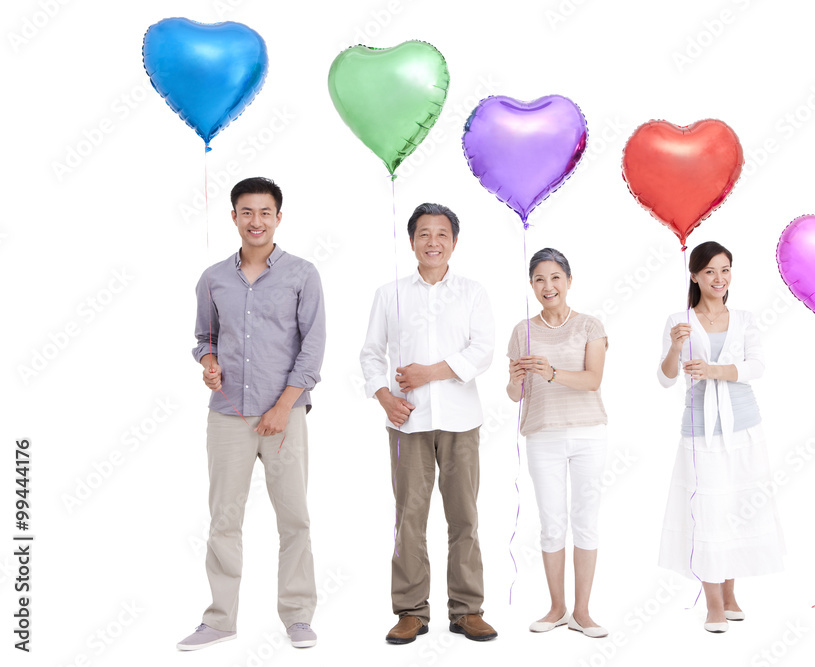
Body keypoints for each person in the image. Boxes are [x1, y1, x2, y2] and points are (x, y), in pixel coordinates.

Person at [178, 177, 325, 651]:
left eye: (265, 212)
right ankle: (220, 619)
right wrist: (209, 364)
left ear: (279, 217)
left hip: (284, 416)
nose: (256, 221)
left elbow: (313, 348)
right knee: (223, 518)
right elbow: (204, 338)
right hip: (227, 414)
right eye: (247, 212)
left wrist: (284, 406)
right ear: (234, 217)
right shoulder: (213, 278)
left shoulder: (303, 275)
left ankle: (298, 616)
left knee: (294, 519)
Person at [359, 203, 498, 644]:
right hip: (407, 423)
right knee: (408, 519)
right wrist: (384, 398)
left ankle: (466, 609)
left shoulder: (473, 292)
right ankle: (411, 611)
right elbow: (370, 353)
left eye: (442, 234)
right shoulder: (390, 294)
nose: (433, 241)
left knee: (465, 519)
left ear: (454, 242)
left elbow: (484, 351)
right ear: (412, 241)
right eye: (424, 234)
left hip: (461, 422)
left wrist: (429, 372)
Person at [656, 241, 783, 633]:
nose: (719, 278)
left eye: (725, 269)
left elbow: (758, 366)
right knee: (708, 512)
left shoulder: (743, 318)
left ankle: (731, 595)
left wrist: (715, 370)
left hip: (744, 426)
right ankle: (713, 603)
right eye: (710, 270)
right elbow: (664, 378)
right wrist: (676, 348)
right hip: (700, 430)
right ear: (694, 275)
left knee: (739, 507)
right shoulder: (679, 319)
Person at [506, 248, 609, 639]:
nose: (548, 286)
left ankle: (582, 612)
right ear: (532, 285)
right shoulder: (522, 331)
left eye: (554, 278)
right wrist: (517, 378)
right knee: (551, 525)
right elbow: (515, 395)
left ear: (568, 280)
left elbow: (593, 380)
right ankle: (557, 607)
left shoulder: (590, 326)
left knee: (585, 522)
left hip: (587, 434)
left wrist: (550, 372)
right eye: (539, 280)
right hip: (542, 436)